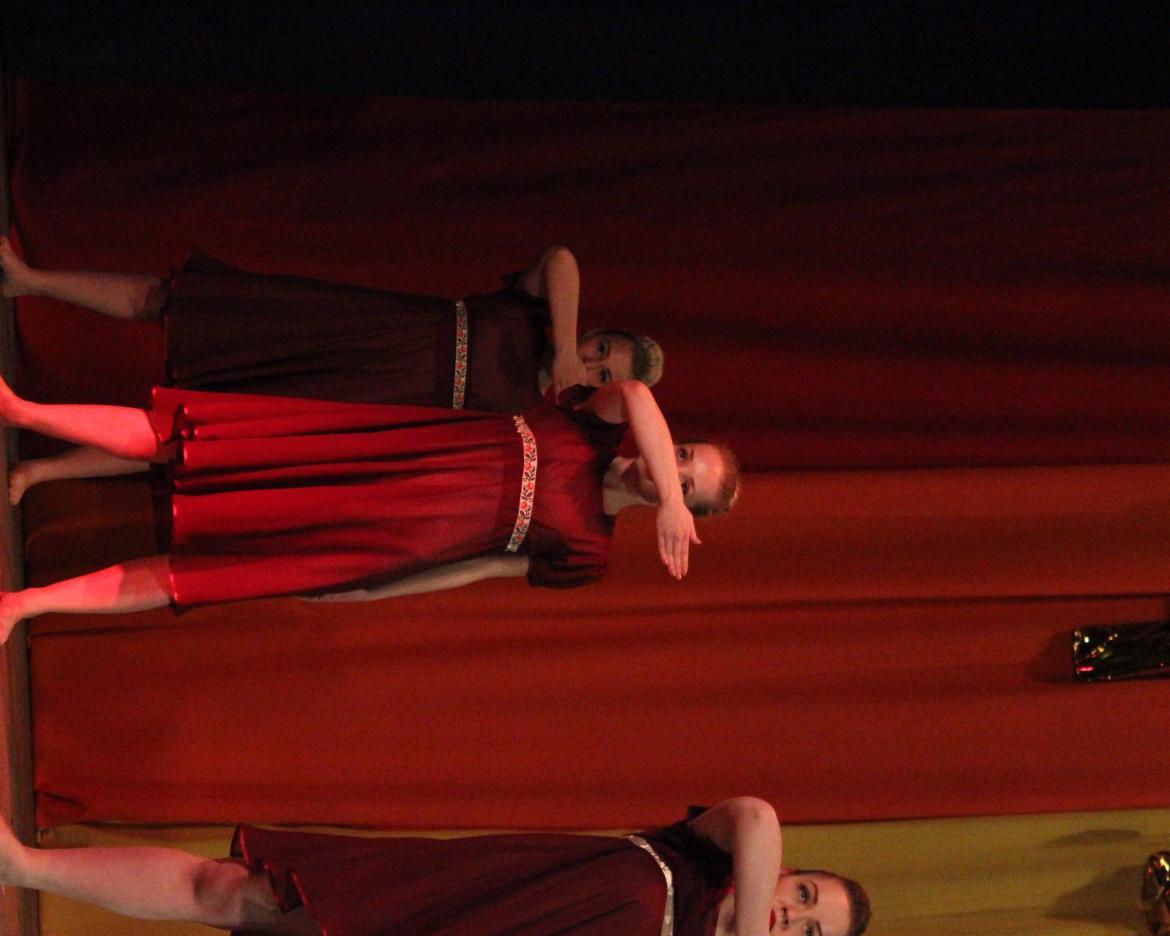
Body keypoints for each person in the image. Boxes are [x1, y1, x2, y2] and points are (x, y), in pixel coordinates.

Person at [0, 374, 739, 641]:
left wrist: (374, 591)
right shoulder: (594, 426)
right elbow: (635, 392)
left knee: (205, 571)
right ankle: (24, 410)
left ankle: (26, 604)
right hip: (373, 453)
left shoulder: (591, 550)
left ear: (691, 521)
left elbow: (483, 569)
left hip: (376, 543)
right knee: (202, 439)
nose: (670, 471)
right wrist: (671, 503)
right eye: (682, 454)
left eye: (686, 486)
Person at [0, 238, 664, 503]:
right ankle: (29, 280)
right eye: (603, 348)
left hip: (356, 396)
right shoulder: (533, 312)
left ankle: (41, 471)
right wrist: (566, 342)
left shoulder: (536, 410)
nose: (593, 362)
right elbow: (562, 257)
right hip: (352, 325)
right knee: (186, 302)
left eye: (603, 373)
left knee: (192, 433)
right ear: (596, 333)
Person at [0, 797, 871, 935]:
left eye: (808, 932)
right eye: (805, 893)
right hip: (443, 890)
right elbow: (758, 816)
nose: (789, 914)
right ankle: (24, 866)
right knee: (231, 893)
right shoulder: (699, 858)